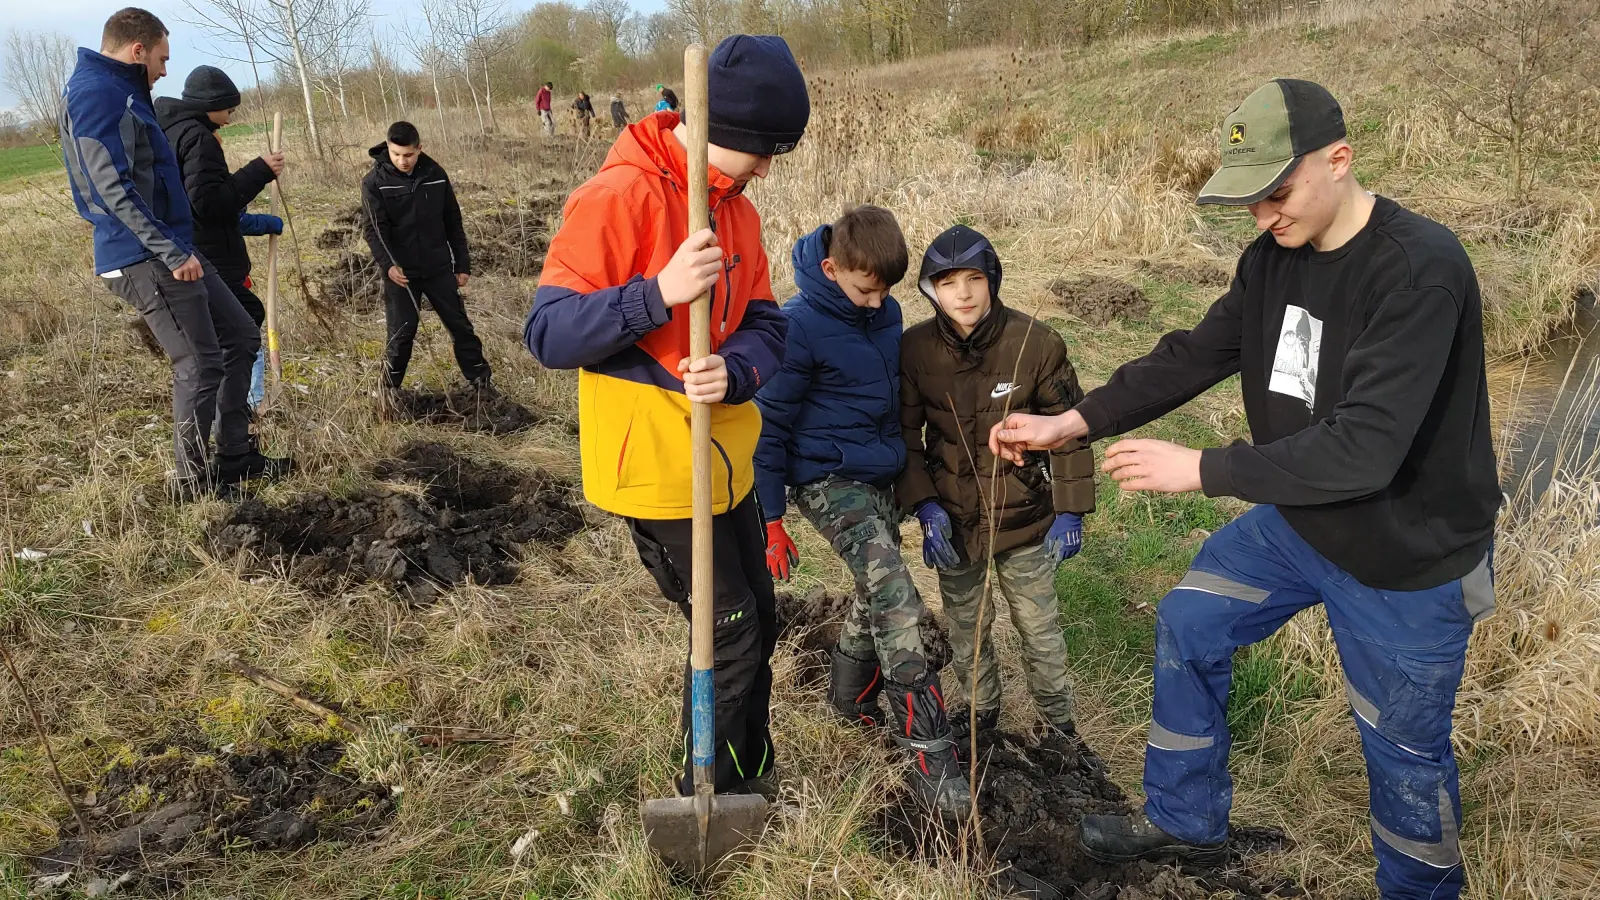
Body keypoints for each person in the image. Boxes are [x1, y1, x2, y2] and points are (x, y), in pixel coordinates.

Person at [990, 80, 1498, 900]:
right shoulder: (1272, 259)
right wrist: (1070, 424)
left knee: (1404, 759)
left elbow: (1366, 450)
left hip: (1407, 556)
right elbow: (1194, 354)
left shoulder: (1419, 271)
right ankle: (1186, 821)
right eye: (1249, 200)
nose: (1263, 217)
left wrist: (1203, 470)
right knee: (1191, 623)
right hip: (1301, 522)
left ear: (1340, 159)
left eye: (1277, 193)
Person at [524, 35, 809, 799]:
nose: (768, 169)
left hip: (727, 459)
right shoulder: (618, 197)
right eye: (763, 151)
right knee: (732, 633)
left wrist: (738, 367)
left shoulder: (735, 212)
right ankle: (704, 800)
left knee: (762, 621)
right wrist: (658, 293)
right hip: (654, 465)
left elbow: (767, 324)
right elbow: (547, 332)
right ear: (726, 131)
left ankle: (752, 778)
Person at [753, 206, 969, 816]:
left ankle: (849, 701)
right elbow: (768, 432)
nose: (878, 305)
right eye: (865, 290)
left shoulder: (886, 312)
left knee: (878, 589)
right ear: (831, 268)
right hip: (824, 477)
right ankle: (928, 746)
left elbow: (891, 402)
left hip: (878, 471)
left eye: (886, 293)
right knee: (896, 591)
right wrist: (772, 519)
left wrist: (913, 479)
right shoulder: (795, 327)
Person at [61, 7, 291, 500]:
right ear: (137, 49)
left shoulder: (123, 90)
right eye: (162, 58)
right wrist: (167, 249)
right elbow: (108, 189)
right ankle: (191, 481)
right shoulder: (96, 93)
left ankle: (235, 456)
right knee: (199, 362)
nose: (167, 71)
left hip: (173, 244)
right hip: (147, 254)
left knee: (240, 334)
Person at [900, 223, 1094, 750]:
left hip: (1026, 518)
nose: (961, 293)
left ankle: (1060, 730)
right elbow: (905, 437)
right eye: (945, 283)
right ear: (929, 291)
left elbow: (1070, 432)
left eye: (972, 278)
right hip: (955, 522)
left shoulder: (1036, 343)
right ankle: (981, 719)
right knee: (967, 629)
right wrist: (923, 505)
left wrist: (1071, 509)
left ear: (993, 279)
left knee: (1040, 629)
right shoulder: (914, 351)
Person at [155, 64, 283, 411]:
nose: (230, 116)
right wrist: (260, 171)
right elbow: (210, 203)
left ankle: (234, 416)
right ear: (210, 103)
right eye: (228, 107)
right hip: (210, 253)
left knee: (228, 333)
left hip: (194, 250)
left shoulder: (172, 131)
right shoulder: (197, 137)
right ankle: (241, 411)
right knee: (239, 331)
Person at [361, 120, 492, 404]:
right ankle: (386, 393)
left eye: (408, 154)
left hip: (438, 267)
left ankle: (482, 385)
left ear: (419, 149)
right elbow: (374, 229)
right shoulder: (374, 182)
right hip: (401, 273)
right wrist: (388, 265)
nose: (402, 161)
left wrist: (462, 263)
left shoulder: (436, 174)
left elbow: (452, 221)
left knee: (460, 326)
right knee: (401, 334)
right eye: (396, 154)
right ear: (388, 148)